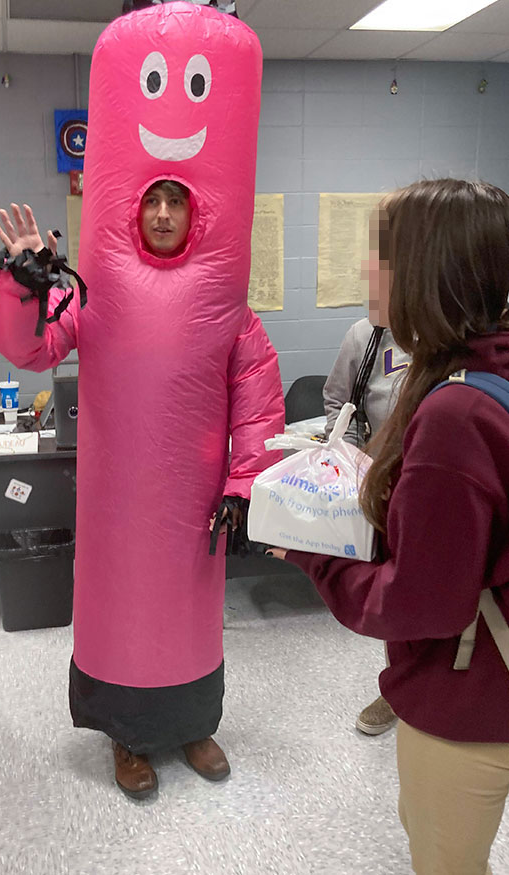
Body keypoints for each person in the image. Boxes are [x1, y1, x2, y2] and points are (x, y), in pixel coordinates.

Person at [0, 0, 285, 799]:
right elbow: (29, 347)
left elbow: (258, 401)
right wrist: (24, 282)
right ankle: (126, 735)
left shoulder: (226, 305)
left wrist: (245, 482)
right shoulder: (96, 291)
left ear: (196, 209)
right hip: (117, 504)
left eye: (175, 200)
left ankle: (193, 723)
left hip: (194, 506)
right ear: (133, 206)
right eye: (151, 199)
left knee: (189, 616)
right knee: (122, 613)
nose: (161, 212)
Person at [268, 178, 509, 874]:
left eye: (381, 252)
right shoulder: (480, 374)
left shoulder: (456, 414)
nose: (365, 267)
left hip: (471, 697)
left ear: (429, 269)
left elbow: (421, 602)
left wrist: (316, 554)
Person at [323, 314, 410, 735]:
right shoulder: (366, 334)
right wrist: (351, 468)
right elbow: (340, 404)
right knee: (399, 592)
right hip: (383, 484)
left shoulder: (455, 325)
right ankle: (399, 686)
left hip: (444, 475)